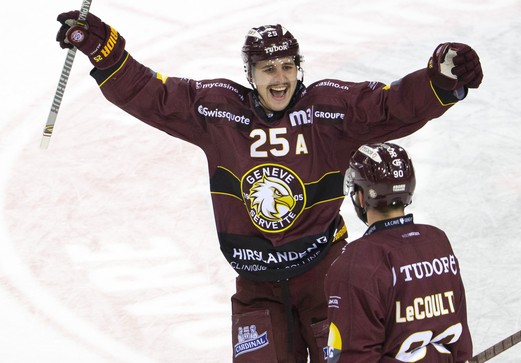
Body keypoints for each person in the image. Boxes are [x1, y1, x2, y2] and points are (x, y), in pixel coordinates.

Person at [55, 10, 482, 362]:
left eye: (288, 66)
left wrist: (439, 83)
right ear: (250, 73)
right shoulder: (219, 111)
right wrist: (106, 55)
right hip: (257, 289)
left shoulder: (328, 109)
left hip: (326, 279)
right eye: (267, 69)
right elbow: (155, 96)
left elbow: (391, 105)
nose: (280, 78)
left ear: (299, 67)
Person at [324, 142, 472, 362]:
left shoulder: (355, 263)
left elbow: (351, 357)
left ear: (362, 197)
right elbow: (460, 346)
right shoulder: (437, 242)